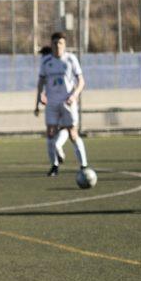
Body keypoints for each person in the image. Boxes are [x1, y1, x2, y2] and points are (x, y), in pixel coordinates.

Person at [35, 31, 90, 177]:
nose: (58, 46)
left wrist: (74, 95)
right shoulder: (46, 62)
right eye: (55, 43)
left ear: (64, 45)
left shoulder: (71, 59)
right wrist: (39, 99)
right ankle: (54, 166)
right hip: (52, 103)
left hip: (67, 102)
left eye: (60, 43)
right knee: (50, 134)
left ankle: (84, 165)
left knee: (73, 133)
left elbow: (81, 81)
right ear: (51, 44)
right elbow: (40, 82)